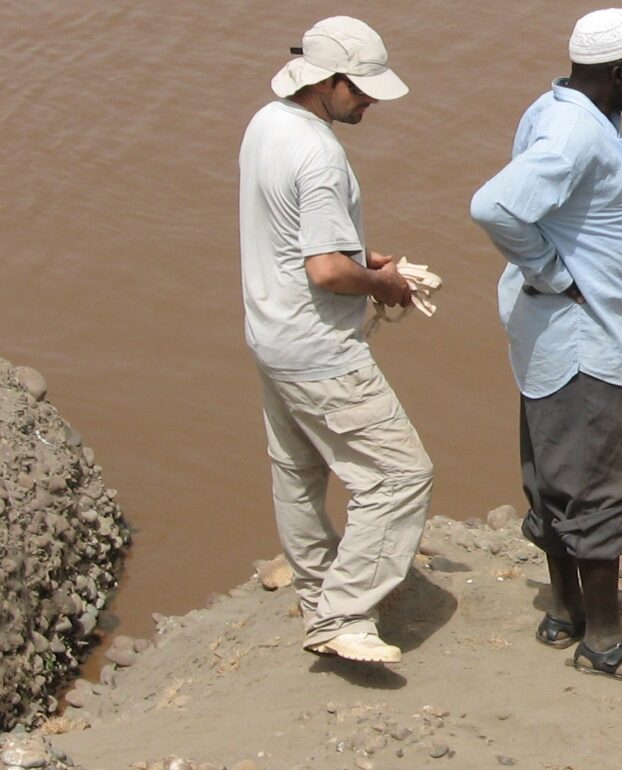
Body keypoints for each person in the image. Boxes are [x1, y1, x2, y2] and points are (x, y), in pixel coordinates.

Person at [469, 7, 622, 684]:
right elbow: (494, 205)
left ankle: (563, 610)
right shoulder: (575, 135)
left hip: (551, 340)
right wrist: (553, 272)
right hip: (583, 341)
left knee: (552, 474)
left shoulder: (557, 109)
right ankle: (605, 642)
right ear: (618, 72)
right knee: (594, 485)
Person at [239, 16, 431, 664]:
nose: (372, 99)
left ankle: (320, 591)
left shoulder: (267, 124)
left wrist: (361, 255)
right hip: (320, 349)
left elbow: (295, 233)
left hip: (271, 333)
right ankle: (343, 615)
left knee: (297, 472)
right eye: (364, 88)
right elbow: (324, 270)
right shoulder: (320, 155)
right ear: (327, 80)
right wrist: (384, 284)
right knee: (401, 476)